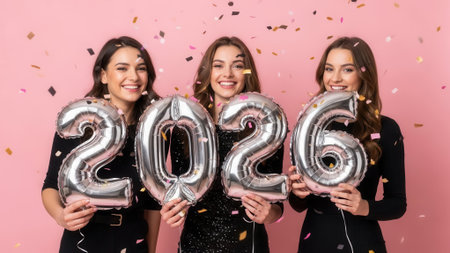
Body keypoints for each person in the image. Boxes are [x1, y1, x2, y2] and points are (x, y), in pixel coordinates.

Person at [160, 36, 284, 253]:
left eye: (237, 66)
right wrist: (172, 211)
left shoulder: (267, 128)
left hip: (249, 247)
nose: (227, 74)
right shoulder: (183, 130)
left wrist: (270, 214)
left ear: (247, 74)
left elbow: (277, 207)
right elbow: (179, 193)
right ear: (208, 73)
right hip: (195, 246)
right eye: (219, 65)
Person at [41, 36, 162, 253]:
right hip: (83, 241)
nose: (133, 77)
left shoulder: (154, 130)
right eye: (122, 68)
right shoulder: (78, 122)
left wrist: (151, 251)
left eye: (140, 68)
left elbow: (153, 202)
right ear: (104, 75)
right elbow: (51, 185)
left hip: (133, 240)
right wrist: (61, 216)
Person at [289, 36, 407, 253]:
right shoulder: (308, 128)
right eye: (329, 69)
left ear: (364, 74)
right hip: (314, 244)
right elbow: (298, 206)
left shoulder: (386, 129)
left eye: (347, 69)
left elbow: (398, 204)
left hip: (364, 244)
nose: (335, 78)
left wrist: (364, 207)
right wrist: (297, 192)